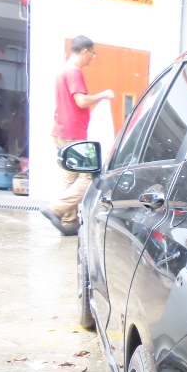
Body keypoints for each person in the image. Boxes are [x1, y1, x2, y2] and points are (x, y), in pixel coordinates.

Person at [40, 35, 113, 236]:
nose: (92, 58)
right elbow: (80, 101)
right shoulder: (74, 72)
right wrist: (103, 95)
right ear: (85, 51)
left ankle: (69, 222)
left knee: (69, 179)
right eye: (92, 54)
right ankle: (55, 209)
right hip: (73, 134)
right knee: (89, 177)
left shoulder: (62, 70)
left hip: (60, 131)